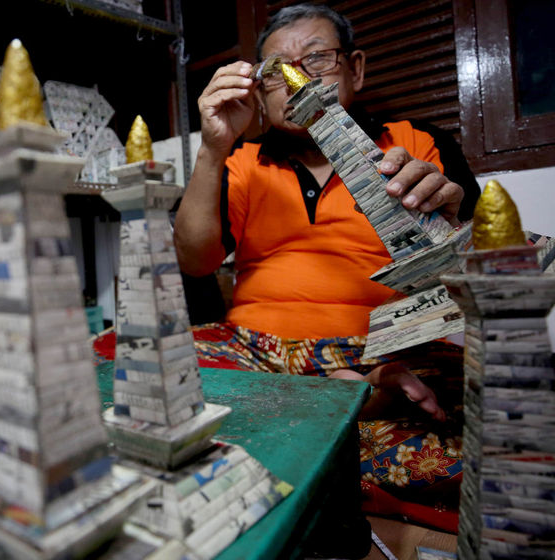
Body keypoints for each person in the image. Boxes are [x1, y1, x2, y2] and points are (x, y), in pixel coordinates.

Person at [173, 3, 481, 527]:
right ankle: (342, 405)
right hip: (260, 353)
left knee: (522, 435)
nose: (297, 79)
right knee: (141, 362)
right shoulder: (242, 162)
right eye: (277, 70)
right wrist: (212, 148)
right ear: (258, 92)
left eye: (317, 58)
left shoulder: (416, 143)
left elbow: (474, 279)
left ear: (355, 68)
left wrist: (451, 224)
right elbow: (194, 261)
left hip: (392, 351)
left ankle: (327, 414)